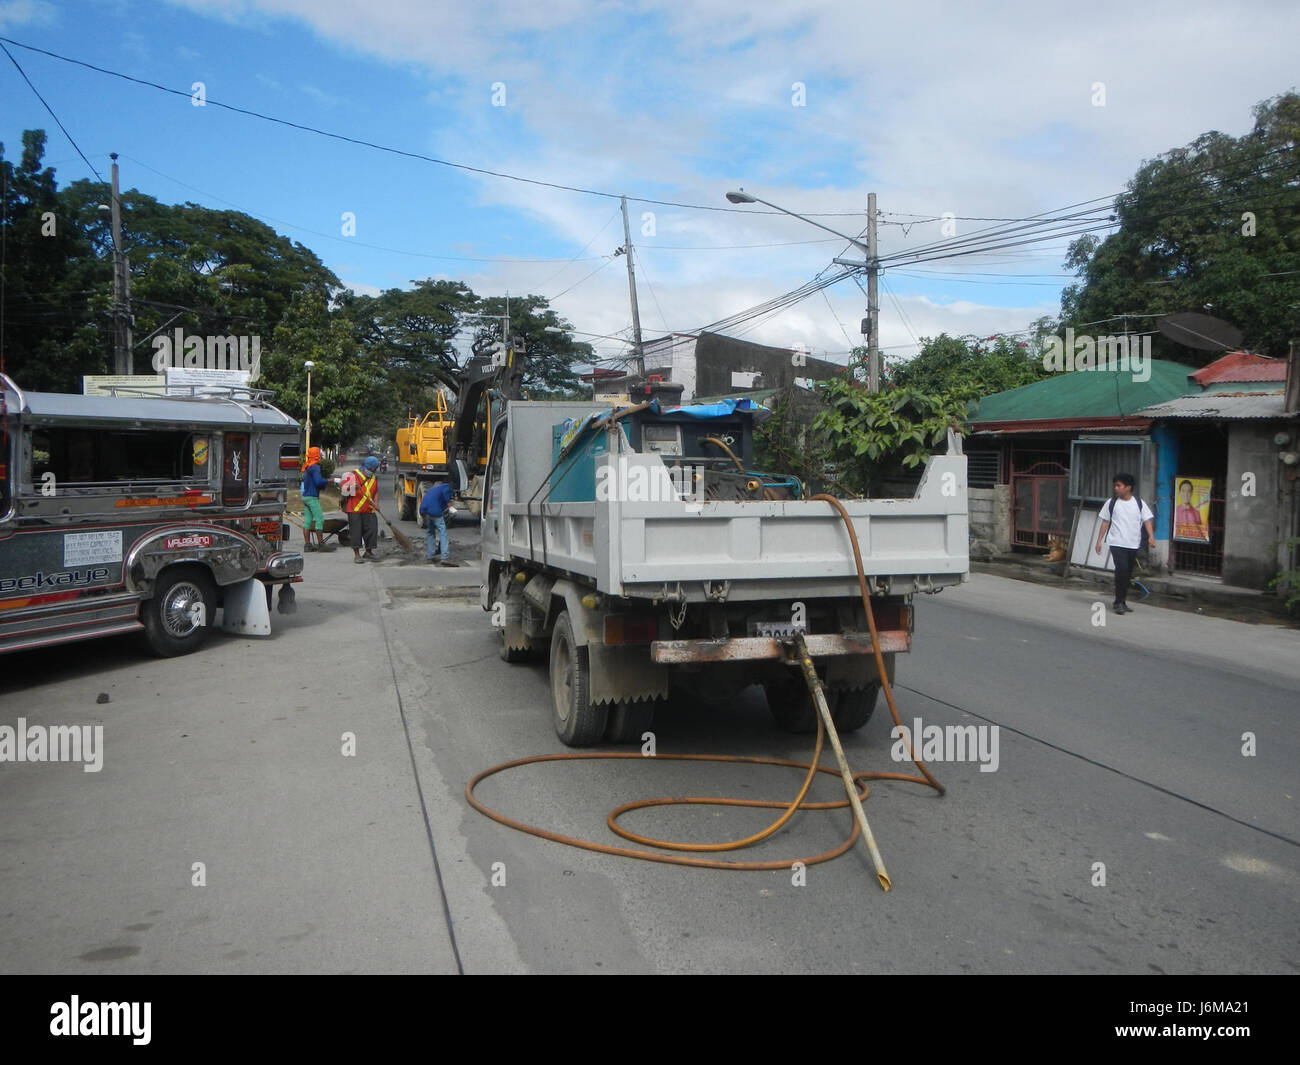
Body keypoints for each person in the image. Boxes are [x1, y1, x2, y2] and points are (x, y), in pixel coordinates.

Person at [1093, 472, 1155, 615]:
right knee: (1121, 570)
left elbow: (1147, 520)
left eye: (1119, 485)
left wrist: (1151, 536)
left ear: (1128, 487)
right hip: (1116, 543)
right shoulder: (1112, 503)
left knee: (1127, 573)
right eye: (1115, 485)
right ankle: (1118, 603)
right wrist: (1099, 541)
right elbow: (1105, 522)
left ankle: (1123, 601)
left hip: (1133, 543)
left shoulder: (1139, 503)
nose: (1116, 488)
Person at [338, 456, 380, 563]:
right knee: (356, 532)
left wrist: (376, 503)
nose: (373, 471)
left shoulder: (373, 477)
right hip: (354, 509)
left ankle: (368, 552)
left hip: (369, 509)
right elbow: (343, 490)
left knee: (372, 529)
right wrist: (352, 487)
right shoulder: (352, 475)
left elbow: (375, 492)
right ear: (368, 467)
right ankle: (357, 555)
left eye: (374, 469)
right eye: (373, 468)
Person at [419, 479, 455, 566]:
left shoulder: (436, 488)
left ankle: (430, 556)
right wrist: (452, 509)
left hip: (424, 510)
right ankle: (444, 557)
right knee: (443, 533)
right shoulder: (447, 488)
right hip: (434, 511)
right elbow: (447, 499)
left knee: (430, 533)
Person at [300, 446, 330, 551]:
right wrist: (328, 481)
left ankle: (307, 545)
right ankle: (321, 544)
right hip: (312, 497)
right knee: (319, 519)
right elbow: (318, 482)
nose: (321, 455)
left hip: (305, 497)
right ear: (316, 455)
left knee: (307, 521)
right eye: (319, 454)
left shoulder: (307, 466)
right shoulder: (315, 467)